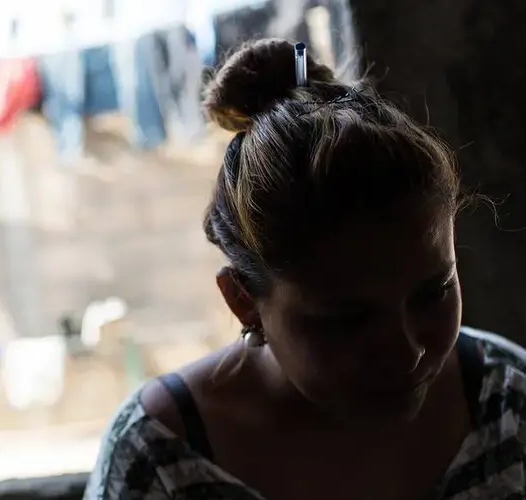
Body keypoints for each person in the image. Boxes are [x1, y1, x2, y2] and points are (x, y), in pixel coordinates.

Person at [82, 38, 526, 499]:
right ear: (243, 301)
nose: (407, 350)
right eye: (346, 320)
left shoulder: (507, 399)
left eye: (434, 292)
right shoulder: (160, 461)